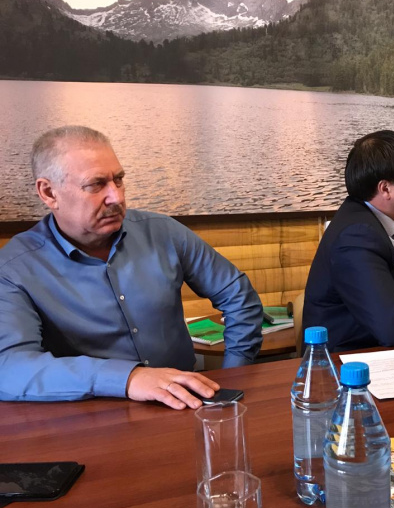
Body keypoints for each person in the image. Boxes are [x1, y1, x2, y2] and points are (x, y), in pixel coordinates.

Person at [0, 126, 263, 409]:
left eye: (119, 179)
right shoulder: (15, 267)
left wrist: (232, 375)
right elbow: (9, 366)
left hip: (187, 405)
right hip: (92, 414)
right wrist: (128, 378)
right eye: (96, 185)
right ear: (49, 192)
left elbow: (238, 297)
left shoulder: (163, 232)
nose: (117, 197)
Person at [302, 130, 394, 351]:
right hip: (347, 362)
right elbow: (392, 328)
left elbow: (390, 289)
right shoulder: (356, 236)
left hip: (385, 352)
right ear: (386, 189)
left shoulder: (388, 219)